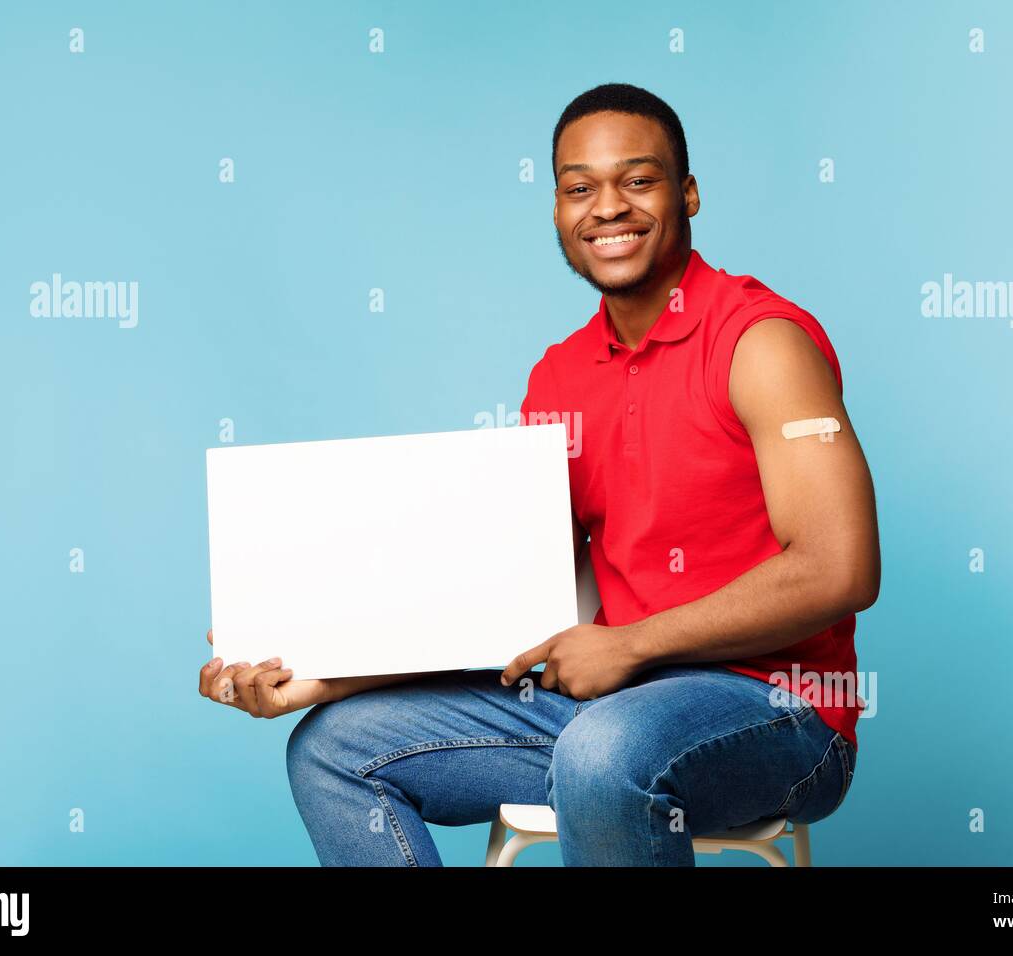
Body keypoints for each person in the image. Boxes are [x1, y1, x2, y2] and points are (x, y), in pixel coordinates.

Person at [198, 82, 880, 866]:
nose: (608, 207)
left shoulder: (760, 344)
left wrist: (629, 644)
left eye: (639, 179)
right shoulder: (557, 378)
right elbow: (511, 606)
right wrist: (324, 673)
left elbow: (841, 568)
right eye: (579, 188)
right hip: (608, 710)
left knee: (603, 753)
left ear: (687, 193)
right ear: (557, 210)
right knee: (334, 749)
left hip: (779, 713)